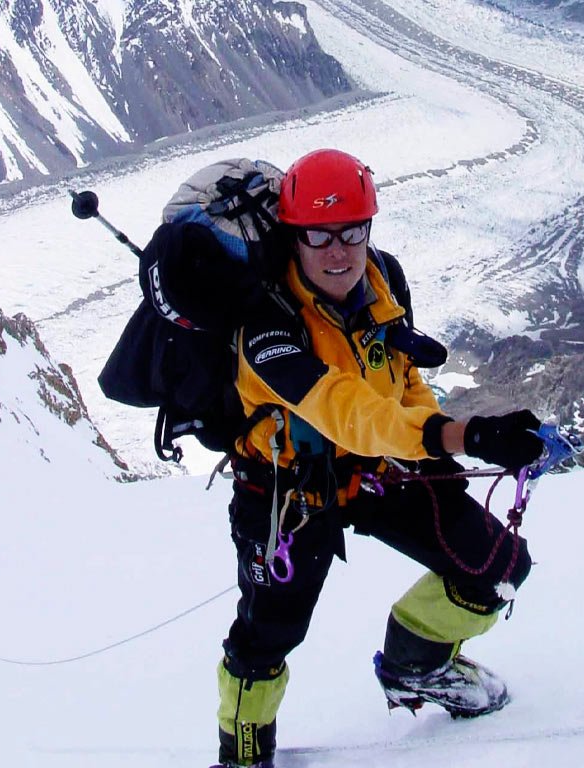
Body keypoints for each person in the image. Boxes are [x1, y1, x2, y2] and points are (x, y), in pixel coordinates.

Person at [214, 148, 546, 768]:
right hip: (287, 494)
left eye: (352, 231)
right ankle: (244, 752)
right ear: (294, 235)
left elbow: (401, 381)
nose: (339, 251)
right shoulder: (266, 324)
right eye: (319, 234)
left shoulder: (382, 278)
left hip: (376, 472)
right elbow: (349, 413)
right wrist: (462, 436)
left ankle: (414, 666)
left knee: (497, 565)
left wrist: (436, 432)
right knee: (266, 637)